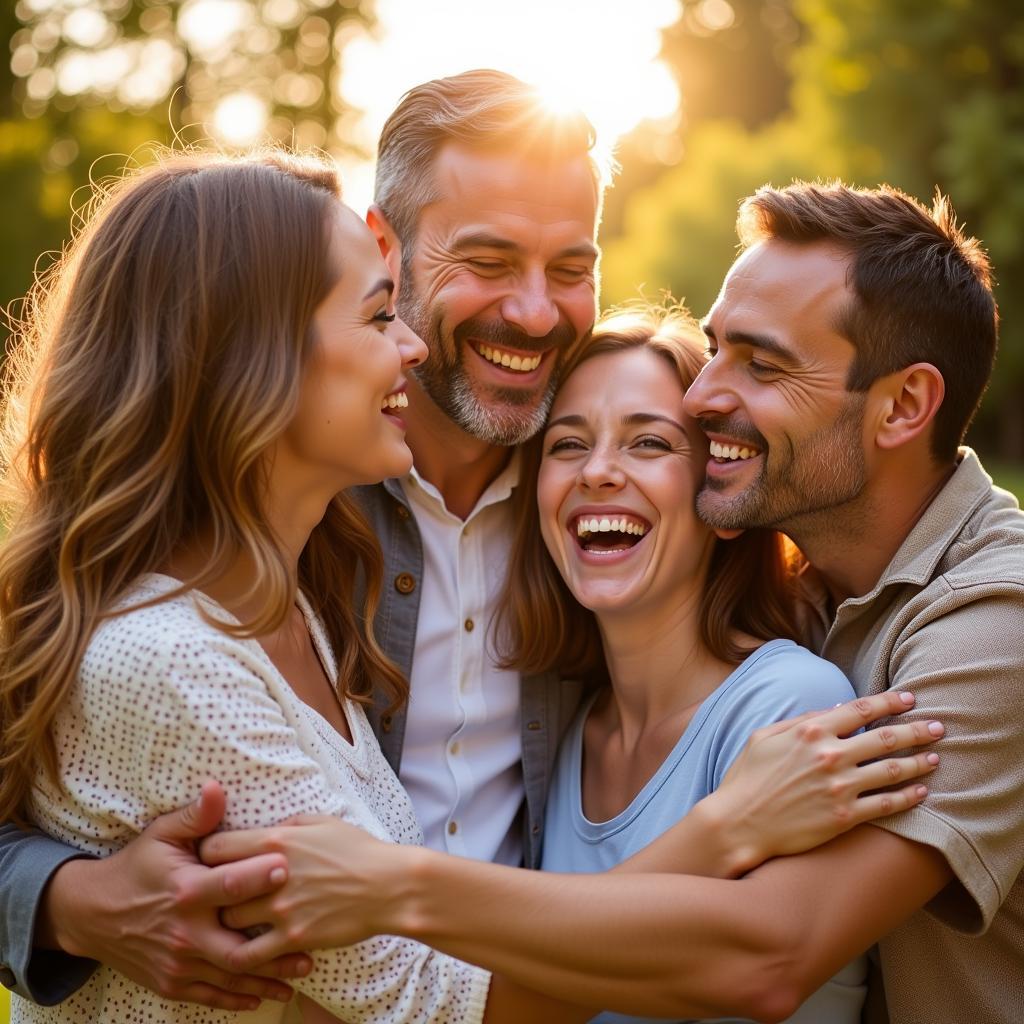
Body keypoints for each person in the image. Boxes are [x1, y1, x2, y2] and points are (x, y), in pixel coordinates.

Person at [0, 75, 936, 1012]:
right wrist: (64, 901)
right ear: (385, 250)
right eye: (487, 260)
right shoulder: (295, 506)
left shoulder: (595, 507)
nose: (534, 313)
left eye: (571, 268)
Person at [196, 182, 1022, 1024]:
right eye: (568, 445)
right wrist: (70, 896)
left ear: (905, 405)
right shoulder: (582, 715)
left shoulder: (987, 631)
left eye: (763, 364)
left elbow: (772, 952)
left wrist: (389, 888)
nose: (705, 399)